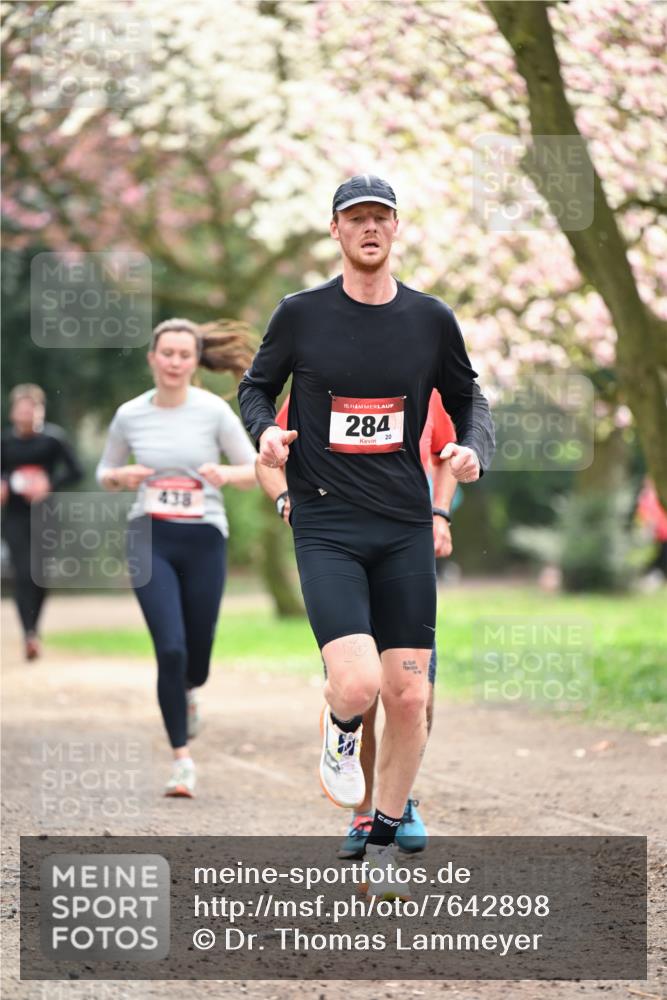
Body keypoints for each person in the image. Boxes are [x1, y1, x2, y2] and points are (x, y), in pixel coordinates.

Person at [239, 174, 495, 895]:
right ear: (336, 232)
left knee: (410, 694)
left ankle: (381, 835)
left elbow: (468, 396)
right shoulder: (300, 314)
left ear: (396, 229)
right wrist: (265, 435)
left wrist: (471, 448)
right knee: (355, 682)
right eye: (356, 219)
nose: (369, 228)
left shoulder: (430, 319)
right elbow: (255, 388)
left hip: (404, 523)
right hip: (325, 520)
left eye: (381, 217)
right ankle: (341, 723)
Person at [256, 389, 459, 858]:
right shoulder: (321, 380)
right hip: (338, 550)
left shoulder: (425, 387)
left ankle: (399, 801)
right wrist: (288, 501)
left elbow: (446, 454)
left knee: (413, 692)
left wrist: (440, 512)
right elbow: (266, 459)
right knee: (359, 688)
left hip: (403, 545)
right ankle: (363, 808)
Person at [97, 319, 257, 798]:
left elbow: (254, 468)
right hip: (149, 535)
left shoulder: (212, 412)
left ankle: (190, 691)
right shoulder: (129, 415)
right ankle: (182, 761)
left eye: (184, 355)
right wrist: (121, 476)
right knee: (170, 647)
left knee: (197, 659)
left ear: (195, 361)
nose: (174, 362)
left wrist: (225, 475)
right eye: (166, 353)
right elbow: (105, 469)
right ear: (152, 357)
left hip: (204, 536)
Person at [1, 383, 83, 660]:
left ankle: (35, 628)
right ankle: (29, 634)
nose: (27, 414)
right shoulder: (5, 442)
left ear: (41, 412)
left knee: (40, 574)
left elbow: (76, 471)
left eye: (33, 409)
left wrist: (49, 483)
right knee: (22, 572)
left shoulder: (53, 440)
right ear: (13, 413)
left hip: (46, 515)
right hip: (14, 516)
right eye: (22, 409)